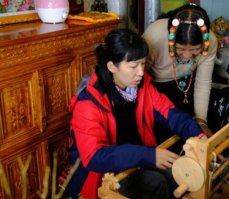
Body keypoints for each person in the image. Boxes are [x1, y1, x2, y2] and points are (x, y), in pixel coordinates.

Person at [65, 29, 207, 199]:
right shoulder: (88, 103)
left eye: (142, 63)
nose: (141, 71)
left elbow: (169, 113)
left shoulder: (141, 86)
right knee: (156, 181)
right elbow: (95, 157)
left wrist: (199, 135)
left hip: (135, 160)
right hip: (104, 175)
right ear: (112, 67)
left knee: (176, 173)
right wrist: (148, 155)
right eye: (133, 66)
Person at [142, 4, 217, 137]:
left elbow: (203, 83)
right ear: (170, 39)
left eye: (195, 50)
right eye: (180, 49)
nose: (187, 56)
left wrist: (201, 120)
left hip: (185, 87)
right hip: (153, 89)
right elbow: (139, 78)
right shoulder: (154, 37)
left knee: (189, 133)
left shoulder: (210, 40)